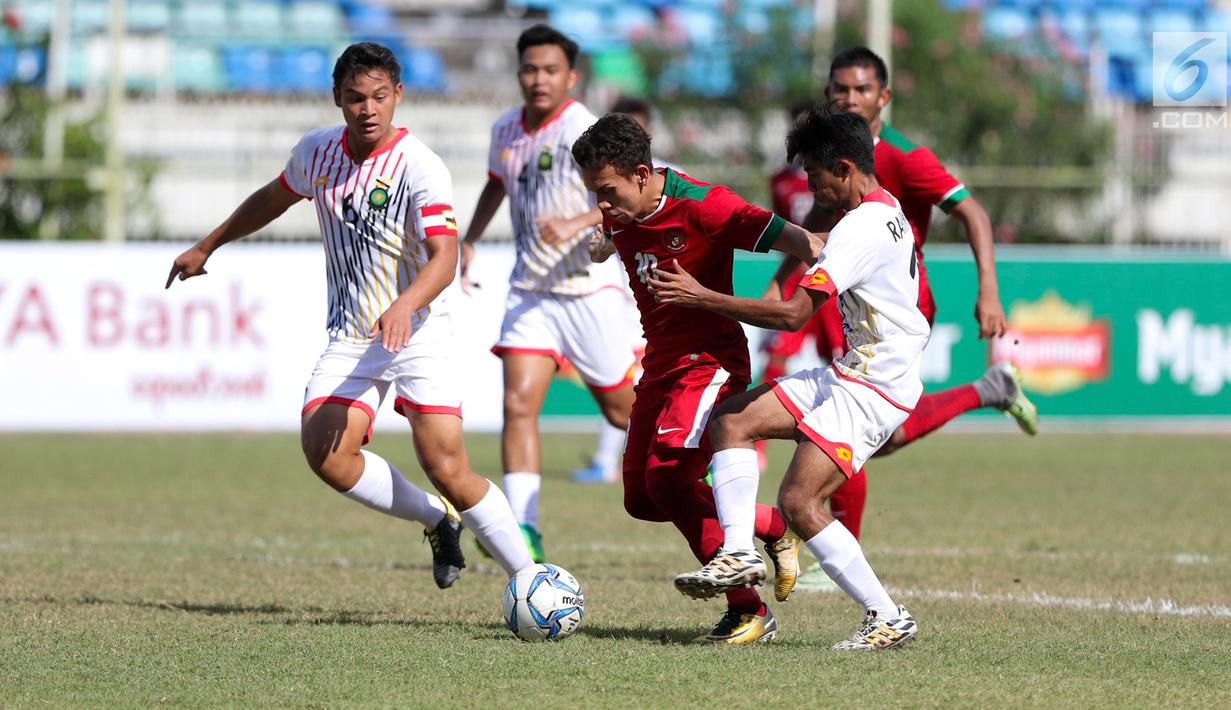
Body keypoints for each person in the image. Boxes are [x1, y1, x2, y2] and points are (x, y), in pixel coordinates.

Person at [165, 42, 534, 588]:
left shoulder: (419, 165)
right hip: (352, 335)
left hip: (419, 330)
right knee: (325, 453)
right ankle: (436, 519)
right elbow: (272, 197)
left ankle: (530, 577)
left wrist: (406, 304)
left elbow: (445, 255)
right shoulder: (316, 153)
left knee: (446, 465)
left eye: (380, 97)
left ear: (398, 97)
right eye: (356, 98)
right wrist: (208, 245)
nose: (368, 109)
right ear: (337, 98)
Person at [659, 105, 922, 651]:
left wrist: (703, 298)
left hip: (876, 386)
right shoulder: (883, 206)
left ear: (844, 168)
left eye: (814, 173)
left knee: (800, 503)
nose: (807, 184)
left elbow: (795, 314)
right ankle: (737, 552)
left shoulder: (862, 229)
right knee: (731, 419)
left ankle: (887, 615)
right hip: (853, 372)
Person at [771, 49, 1038, 569]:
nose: (848, 98)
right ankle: (989, 390)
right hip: (845, 290)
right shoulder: (833, 159)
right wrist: (777, 289)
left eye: (861, 89)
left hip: (894, 303)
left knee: (845, 418)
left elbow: (973, 213)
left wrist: (989, 289)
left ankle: (831, 545)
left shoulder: (905, 158)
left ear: (883, 97)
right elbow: (819, 237)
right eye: (839, 89)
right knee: (876, 432)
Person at [572, 113, 817, 644]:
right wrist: (604, 240)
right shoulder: (619, 211)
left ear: (642, 173)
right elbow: (624, 232)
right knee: (641, 497)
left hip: (710, 362)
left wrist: (852, 273)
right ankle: (772, 527)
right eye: (595, 195)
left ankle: (748, 610)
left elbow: (803, 243)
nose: (602, 206)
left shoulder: (707, 204)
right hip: (660, 364)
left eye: (608, 192)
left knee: (670, 480)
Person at [461, 26, 639, 558]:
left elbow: (628, 191)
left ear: (571, 76)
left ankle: (705, 462)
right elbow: (499, 181)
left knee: (621, 411)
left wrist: (577, 221)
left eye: (550, 70)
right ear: (519, 73)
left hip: (588, 288)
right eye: (530, 69)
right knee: (517, 405)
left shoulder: (584, 127)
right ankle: (524, 529)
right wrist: (469, 240)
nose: (539, 79)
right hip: (530, 290)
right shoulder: (505, 129)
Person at [570, 95, 671, 485]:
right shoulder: (603, 187)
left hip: (669, 302)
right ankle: (608, 459)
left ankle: (688, 454)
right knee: (631, 383)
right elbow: (609, 235)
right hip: (626, 299)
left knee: (650, 384)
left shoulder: (674, 181)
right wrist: (600, 247)